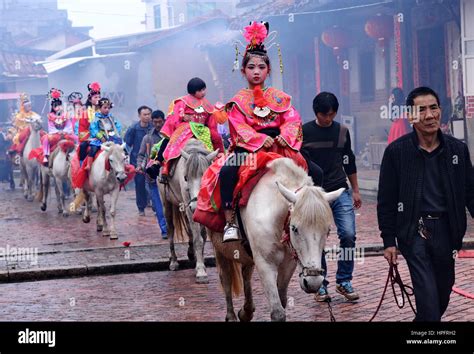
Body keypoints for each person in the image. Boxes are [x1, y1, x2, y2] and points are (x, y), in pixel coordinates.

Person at [377, 86, 474, 321]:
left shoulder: (457, 150)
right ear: (410, 116)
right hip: (414, 232)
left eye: (434, 108)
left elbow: (470, 192)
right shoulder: (396, 153)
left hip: (448, 232)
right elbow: (386, 201)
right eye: (421, 110)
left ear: (440, 111)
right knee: (429, 305)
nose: (429, 115)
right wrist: (389, 241)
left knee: (442, 294)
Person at [218, 21, 304, 242]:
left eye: (261, 67)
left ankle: (311, 218)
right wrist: (258, 139)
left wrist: (285, 136)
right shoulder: (237, 101)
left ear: (269, 70)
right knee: (227, 172)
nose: (256, 72)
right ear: (243, 70)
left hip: (281, 146)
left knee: (315, 170)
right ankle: (230, 222)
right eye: (251, 67)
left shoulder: (280, 97)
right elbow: (238, 125)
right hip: (249, 150)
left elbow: (292, 118)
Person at [303, 92, 361, 302]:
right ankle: (321, 284)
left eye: (331, 114)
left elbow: (349, 161)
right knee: (317, 239)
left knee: (348, 234)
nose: (328, 119)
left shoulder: (342, 131)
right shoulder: (305, 132)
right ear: (316, 113)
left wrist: (355, 189)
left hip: (340, 191)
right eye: (323, 115)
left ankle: (344, 280)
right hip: (316, 195)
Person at [156, 77, 225, 184]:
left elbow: (211, 121)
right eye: (200, 90)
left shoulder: (207, 103)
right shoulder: (182, 102)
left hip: (202, 130)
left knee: (216, 137)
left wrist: (212, 130)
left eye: (204, 89)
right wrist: (182, 122)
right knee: (174, 142)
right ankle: (166, 165)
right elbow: (176, 117)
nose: (203, 92)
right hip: (186, 128)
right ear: (193, 92)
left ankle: (219, 158)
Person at [137, 110, 168, 238]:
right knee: (157, 204)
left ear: (164, 120)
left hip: (169, 173)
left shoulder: (170, 135)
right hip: (153, 175)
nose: (158, 125)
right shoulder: (148, 138)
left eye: (160, 122)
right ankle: (164, 230)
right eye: (155, 122)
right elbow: (142, 155)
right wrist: (140, 166)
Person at [125, 106, 153, 216]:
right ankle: (141, 207)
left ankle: (154, 204)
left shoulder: (153, 127)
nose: (147, 117)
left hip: (151, 158)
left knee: (152, 182)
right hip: (137, 159)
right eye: (144, 114)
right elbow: (127, 144)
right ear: (139, 116)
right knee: (140, 183)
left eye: (149, 114)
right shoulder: (133, 128)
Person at [41, 88, 77, 166]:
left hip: (65, 133)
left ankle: (78, 154)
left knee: (77, 138)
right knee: (45, 138)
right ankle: (46, 155)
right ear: (53, 107)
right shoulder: (50, 116)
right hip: (55, 134)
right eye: (56, 106)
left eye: (59, 105)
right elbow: (51, 127)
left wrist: (65, 131)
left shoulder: (65, 115)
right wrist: (58, 131)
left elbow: (68, 125)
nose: (58, 107)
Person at [84, 98, 122, 169]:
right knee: (93, 149)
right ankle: (89, 165)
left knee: (121, 149)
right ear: (99, 108)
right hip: (100, 139)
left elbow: (118, 126)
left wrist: (115, 134)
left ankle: (124, 164)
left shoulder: (111, 117)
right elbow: (93, 128)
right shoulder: (96, 118)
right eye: (105, 108)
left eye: (108, 108)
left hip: (112, 138)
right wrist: (101, 137)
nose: (107, 109)